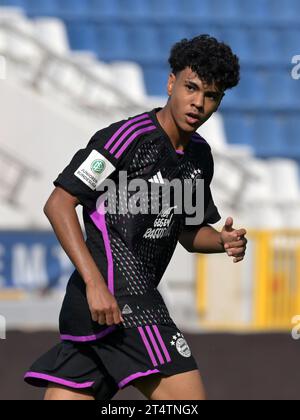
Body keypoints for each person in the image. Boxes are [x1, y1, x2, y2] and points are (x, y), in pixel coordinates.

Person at [24, 35, 247, 400]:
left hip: (110, 312)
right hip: (119, 302)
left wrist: (221, 241)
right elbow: (59, 204)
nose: (198, 103)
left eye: (211, 96)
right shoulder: (126, 139)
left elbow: (189, 233)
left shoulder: (199, 157)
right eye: (191, 88)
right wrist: (96, 284)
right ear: (171, 82)